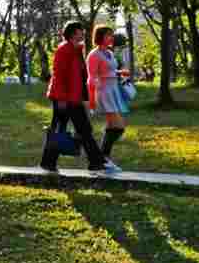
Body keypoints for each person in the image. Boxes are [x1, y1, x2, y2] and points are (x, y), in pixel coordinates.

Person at [40, 22, 110, 174]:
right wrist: (61, 100)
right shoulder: (64, 49)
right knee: (71, 129)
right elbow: (59, 76)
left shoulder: (77, 49)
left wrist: (85, 97)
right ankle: (96, 161)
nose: (83, 33)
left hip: (74, 98)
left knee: (67, 129)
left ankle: (48, 162)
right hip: (64, 98)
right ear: (72, 33)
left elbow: (81, 76)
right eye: (80, 31)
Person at [87, 25, 132, 168]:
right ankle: (101, 158)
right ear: (100, 37)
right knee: (118, 127)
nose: (111, 38)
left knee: (113, 126)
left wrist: (119, 72)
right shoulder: (94, 55)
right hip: (104, 92)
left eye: (111, 35)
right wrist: (92, 98)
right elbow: (91, 77)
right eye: (108, 35)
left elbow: (109, 70)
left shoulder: (109, 53)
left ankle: (100, 160)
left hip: (114, 90)